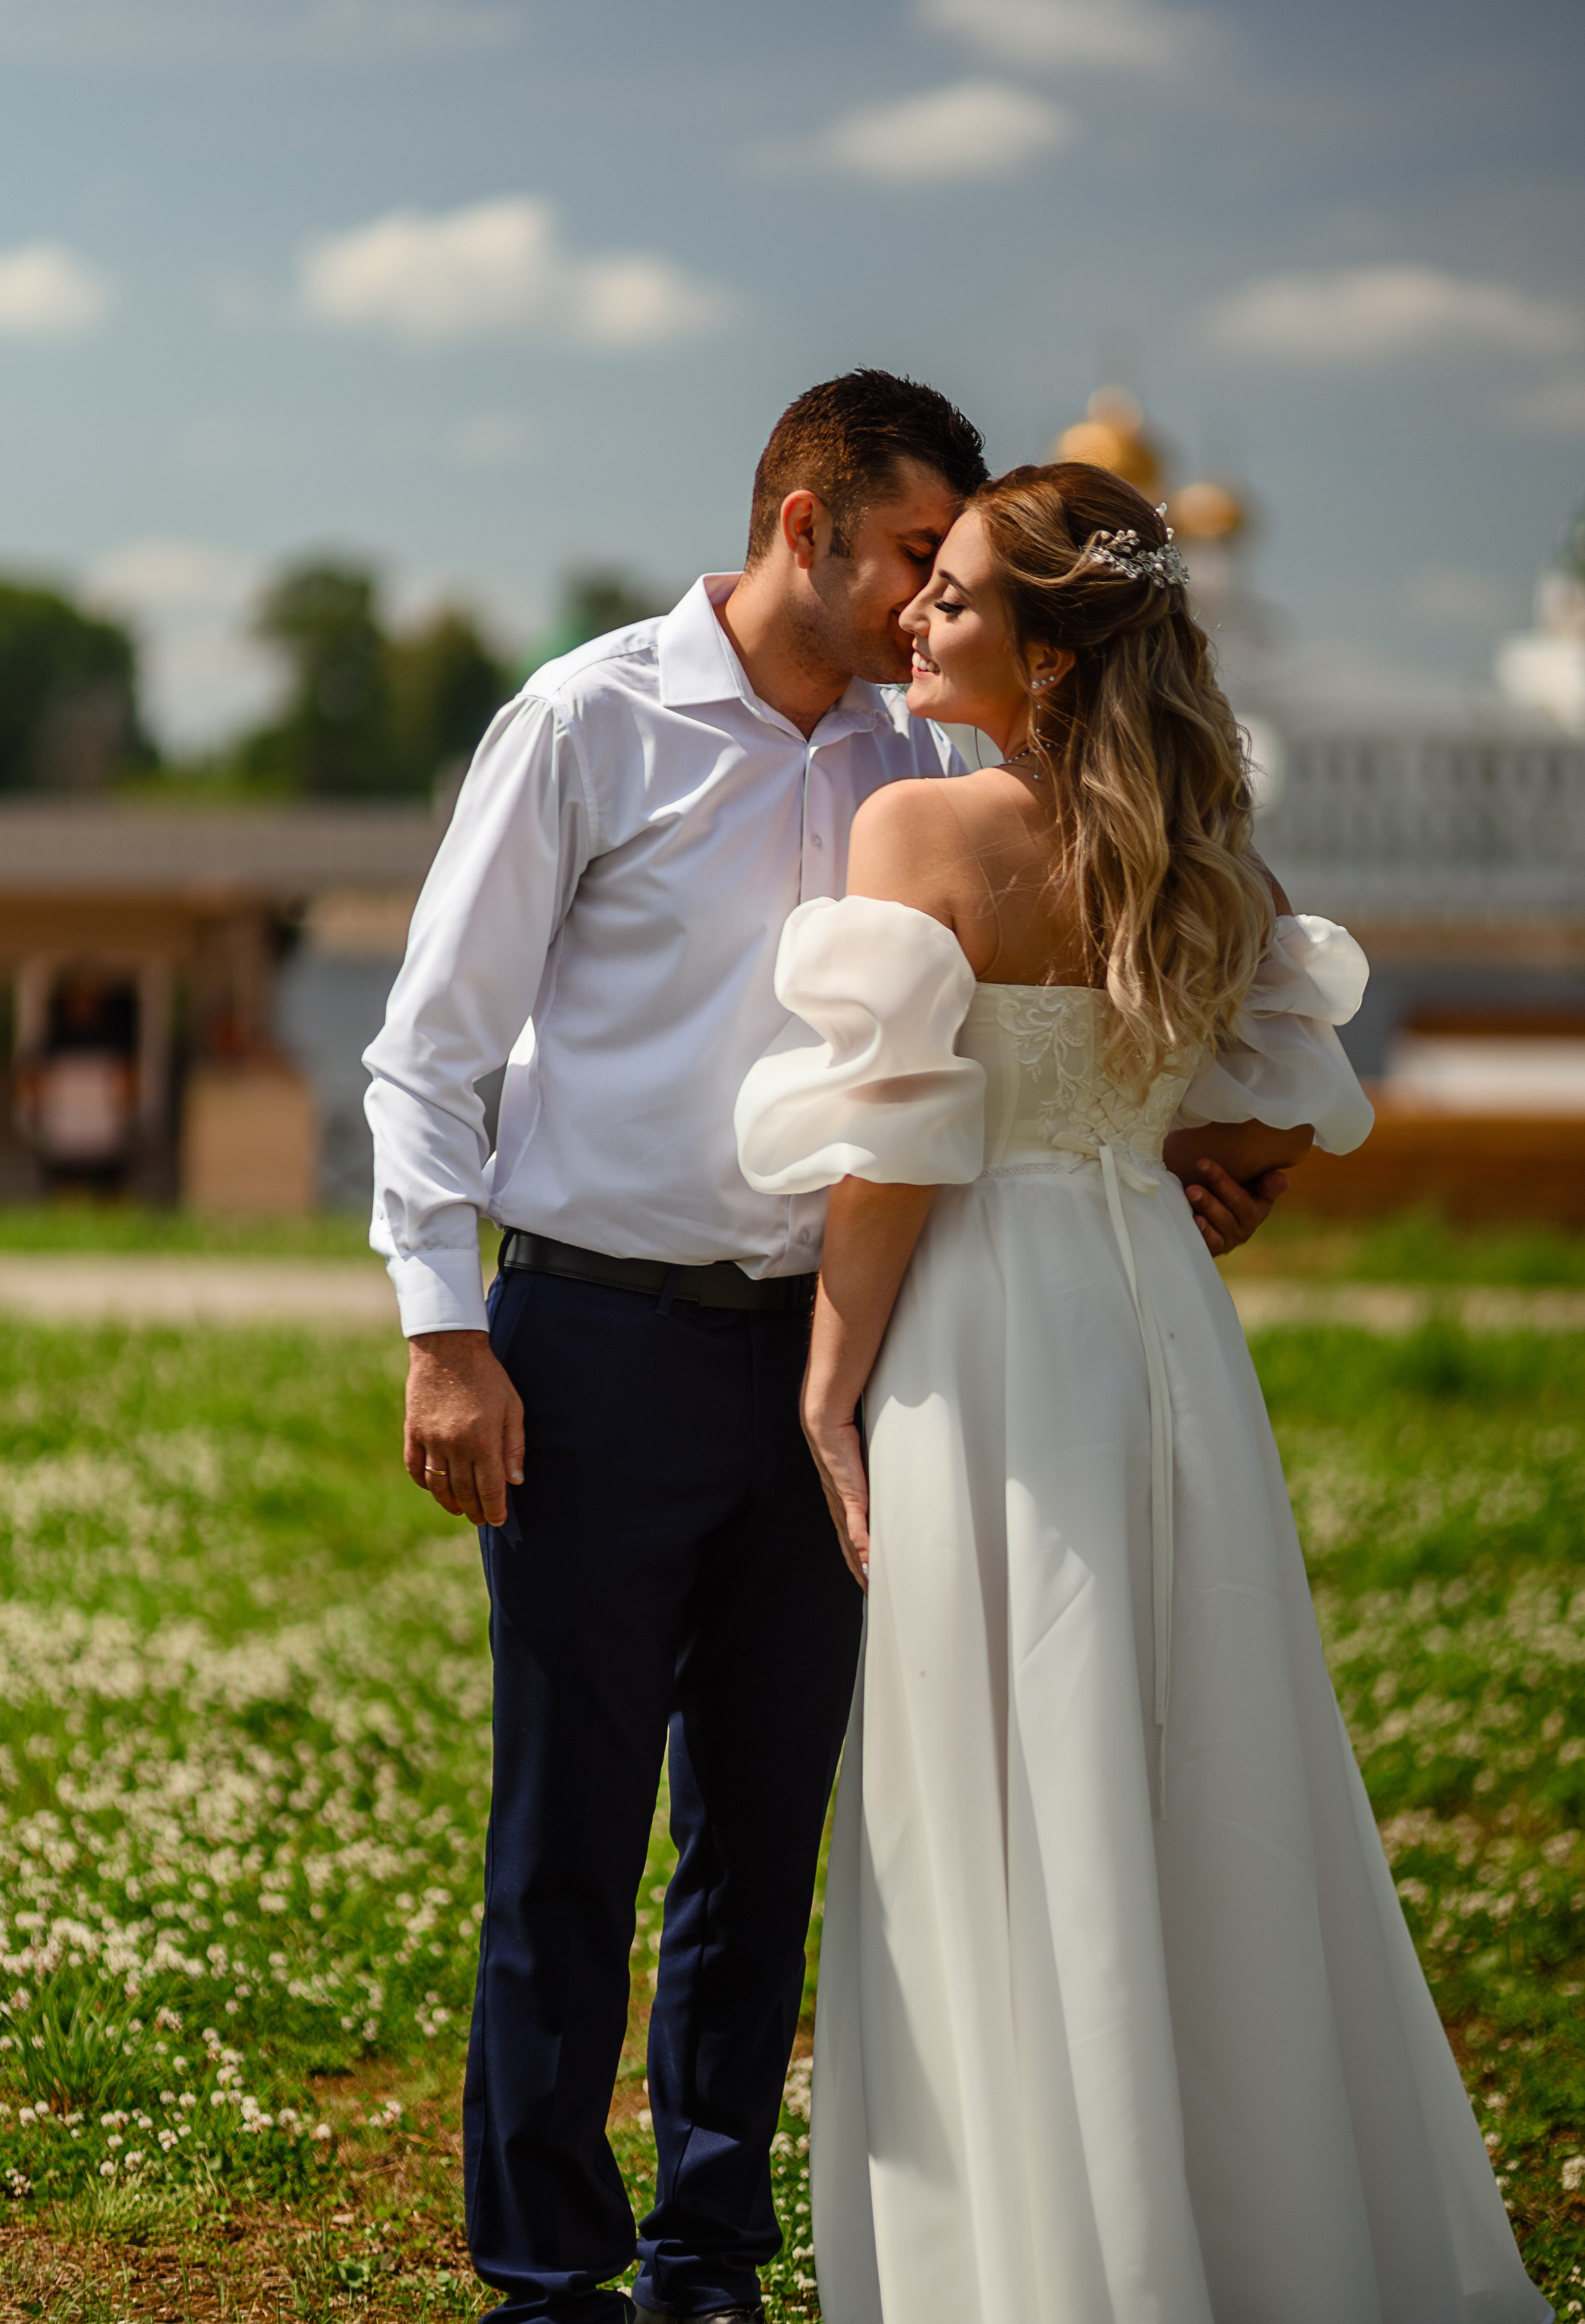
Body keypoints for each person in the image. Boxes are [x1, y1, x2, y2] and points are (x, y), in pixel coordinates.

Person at [365, 376, 1285, 2324]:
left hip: (851, 1359)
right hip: (593, 1335)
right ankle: (547, 2272)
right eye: (902, 558)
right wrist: (446, 1328)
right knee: (568, 1833)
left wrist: (1174, 1133)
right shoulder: (587, 719)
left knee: (765, 1835)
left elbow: (1056, 976)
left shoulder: (918, 753)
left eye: (944, 574)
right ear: (803, 525)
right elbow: (430, 1049)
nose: (919, 603)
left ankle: (709, 2254)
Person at [735, 463, 1550, 2323]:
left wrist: (832, 1380)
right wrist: (1216, 1175)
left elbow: (901, 1154)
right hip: (1163, 1328)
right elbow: (1293, 1096)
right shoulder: (1206, 851)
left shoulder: (921, 843)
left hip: (991, 1333)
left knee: (1001, 1763)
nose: (917, 621)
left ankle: (1045, 2256)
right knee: (1201, 1754)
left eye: (950, 596)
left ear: (1046, 647)